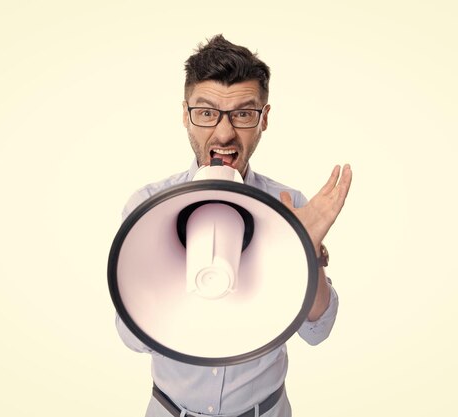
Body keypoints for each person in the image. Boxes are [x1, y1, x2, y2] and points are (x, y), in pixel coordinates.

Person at [115, 34, 352, 417]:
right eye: (207, 113)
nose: (224, 134)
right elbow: (132, 338)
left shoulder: (288, 206)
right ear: (185, 114)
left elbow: (317, 330)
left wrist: (306, 257)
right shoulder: (147, 207)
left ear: (264, 118)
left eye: (243, 114)